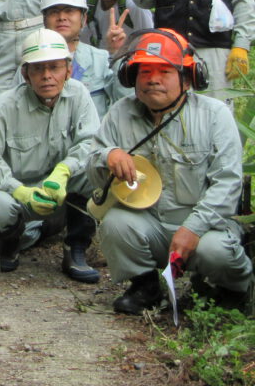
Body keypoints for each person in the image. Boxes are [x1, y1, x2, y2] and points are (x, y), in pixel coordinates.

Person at [88, 28, 253, 313]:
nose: (153, 80)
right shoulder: (119, 113)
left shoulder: (215, 115)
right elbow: (90, 172)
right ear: (131, 78)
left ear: (188, 79)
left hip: (205, 228)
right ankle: (145, 286)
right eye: (144, 72)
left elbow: (227, 184)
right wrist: (107, 156)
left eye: (164, 71)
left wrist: (193, 228)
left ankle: (234, 290)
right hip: (149, 224)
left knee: (217, 252)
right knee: (115, 223)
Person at [0, 29, 101, 282]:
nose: (47, 76)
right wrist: (19, 190)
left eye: (54, 67)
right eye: (37, 69)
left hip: (63, 188)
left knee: (97, 173)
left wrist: (64, 170)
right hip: (21, 194)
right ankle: (11, 242)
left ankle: (75, 249)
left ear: (68, 69)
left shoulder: (79, 95)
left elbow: (90, 143)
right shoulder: (5, 106)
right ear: (25, 74)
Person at [36, 0, 129, 116]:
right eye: (54, 11)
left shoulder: (100, 60)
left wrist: (118, 54)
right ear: (44, 19)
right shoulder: (33, 61)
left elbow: (125, 103)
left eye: (69, 11)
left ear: (83, 19)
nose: (62, 17)